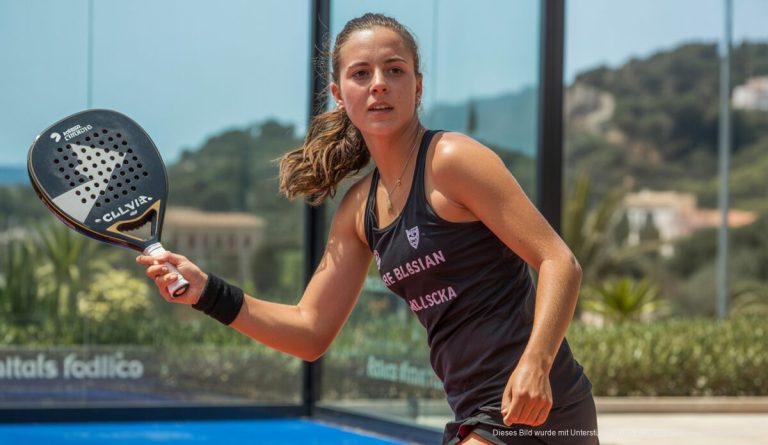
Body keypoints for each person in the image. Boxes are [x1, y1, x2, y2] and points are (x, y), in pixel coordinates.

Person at [137, 13, 599, 445]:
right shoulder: (358, 212)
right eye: (361, 74)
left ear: (417, 87)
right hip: (475, 409)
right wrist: (206, 292)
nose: (379, 85)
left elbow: (559, 261)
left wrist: (536, 364)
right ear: (339, 94)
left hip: (539, 402)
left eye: (395, 71)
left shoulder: (453, 160)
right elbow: (310, 331)